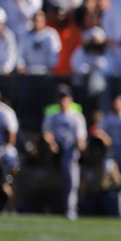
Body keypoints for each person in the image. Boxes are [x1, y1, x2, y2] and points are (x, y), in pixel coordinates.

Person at [42, 85, 87, 220]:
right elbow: (46, 132)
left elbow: (81, 138)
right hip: (54, 151)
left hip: (70, 150)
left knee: (72, 180)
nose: (63, 101)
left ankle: (71, 209)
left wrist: (80, 146)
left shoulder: (77, 117)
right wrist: (51, 143)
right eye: (60, 98)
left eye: (65, 98)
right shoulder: (52, 116)